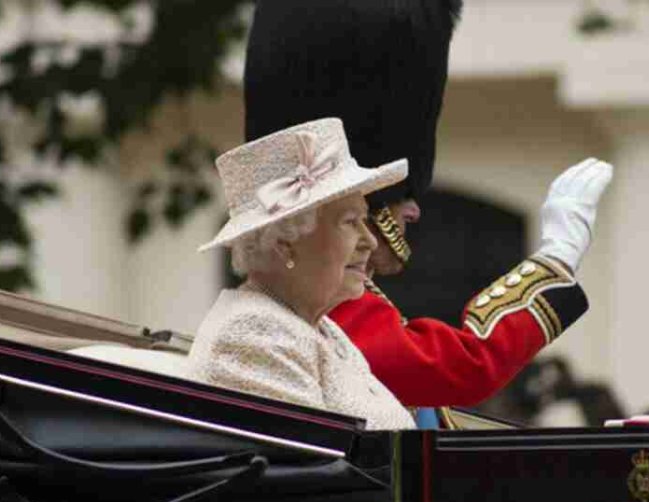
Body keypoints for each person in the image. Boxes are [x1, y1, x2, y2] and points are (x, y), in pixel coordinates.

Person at [244, 0, 614, 419]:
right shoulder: (325, 309)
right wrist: (556, 259)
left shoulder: (331, 300)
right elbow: (465, 365)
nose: (415, 211)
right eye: (398, 193)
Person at [188, 118, 416, 430]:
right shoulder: (257, 334)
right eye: (350, 222)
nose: (371, 241)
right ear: (284, 244)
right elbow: (325, 473)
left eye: (365, 221)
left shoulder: (317, 327)